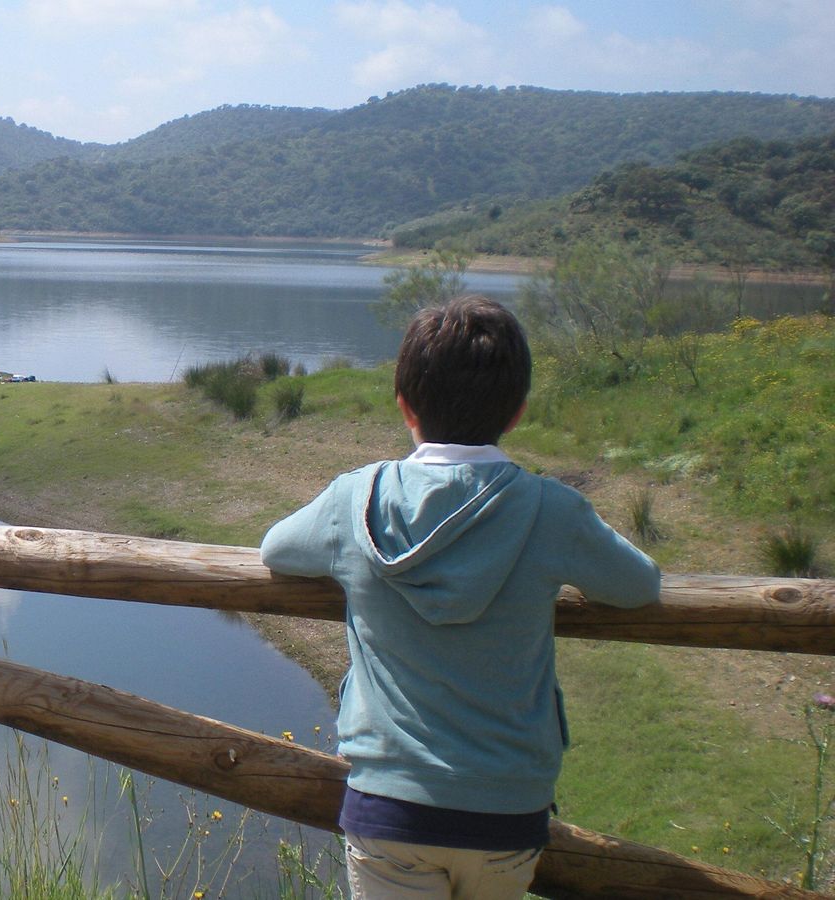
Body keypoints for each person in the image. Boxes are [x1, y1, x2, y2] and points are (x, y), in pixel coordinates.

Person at [259, 295, 660, 900]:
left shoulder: (355, 501)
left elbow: (275, 550)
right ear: (518, 412)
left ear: (405, 405)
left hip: (390, 807)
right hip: (507, 809)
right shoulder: (550, 509)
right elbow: (639, 586)